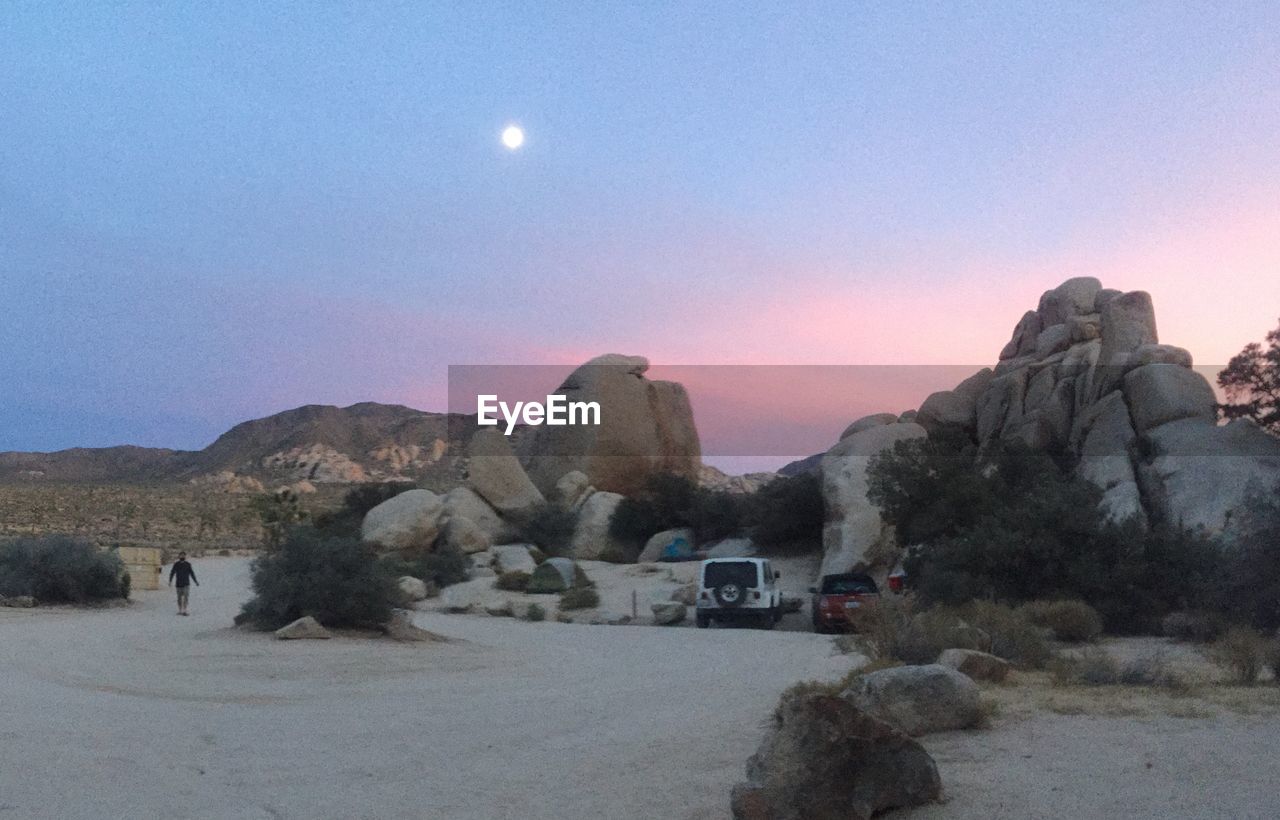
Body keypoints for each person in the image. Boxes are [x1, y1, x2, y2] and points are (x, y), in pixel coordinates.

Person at [168, 551, 199, 616]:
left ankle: (185, 610)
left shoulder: (188, 564)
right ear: (179, 556)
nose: (182, 556)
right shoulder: (176, 564)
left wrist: (195, 581)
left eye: (183, 555)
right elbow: (172, 573)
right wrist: (170, 581)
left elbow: (192, 573)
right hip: (178, 584)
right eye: (181, 555)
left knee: (186, 597)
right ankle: (180, 610)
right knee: (179, 598)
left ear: (185, 556)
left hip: (186, 584)